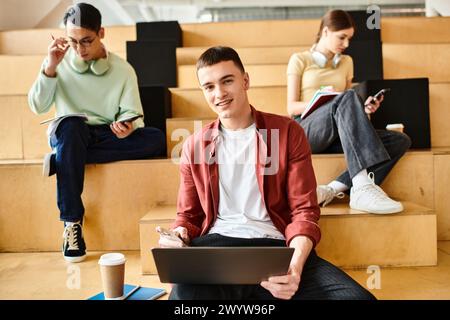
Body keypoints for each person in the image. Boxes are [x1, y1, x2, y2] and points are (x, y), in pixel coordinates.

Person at [158, 46, 375, 300]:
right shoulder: (195, 145)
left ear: (245, 81)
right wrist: (180, 235)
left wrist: (294, 269)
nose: (219, 93)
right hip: (217, 249)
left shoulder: (287, 132)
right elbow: (188, 216)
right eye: (209, 86)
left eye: (227, 81)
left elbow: (304, 211)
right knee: (185, 298)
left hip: (277, 249)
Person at [28, 3, 165, 262]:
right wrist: (50, 67)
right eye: (72, 41)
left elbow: (134, 114)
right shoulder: (58, 63)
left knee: (155, 138)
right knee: (71, 127)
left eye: (86, 41)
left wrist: (127, 128)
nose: (79, 49)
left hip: (105, 134)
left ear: (101, 33)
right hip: (70, 130)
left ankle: (64, 158)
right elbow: (37, 106)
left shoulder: (123, 70)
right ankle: (71, 223)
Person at [287, 9, 411, 214]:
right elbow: (291, 107)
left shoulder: (346, 62)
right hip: (306, 128)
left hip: (338, 131)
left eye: (349, 39)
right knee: (346, 96)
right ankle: (362, 186)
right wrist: (323, 100)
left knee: (400, 140)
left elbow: (346, 106)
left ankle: (332, 189)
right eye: (341, 37)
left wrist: (363, 109)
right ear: (325, 32)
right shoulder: (300, 59)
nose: (345, 44)